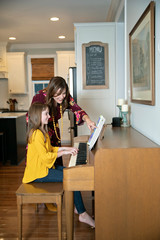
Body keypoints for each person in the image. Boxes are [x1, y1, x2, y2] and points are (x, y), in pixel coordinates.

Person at [23, 102, 95, 228]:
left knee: (70, 171)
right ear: (37, 116)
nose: (49, 116)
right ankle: (82, 213)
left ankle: (79, 209)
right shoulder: (36, 134)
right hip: (38, 173)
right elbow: (46, 157)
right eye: (46, 114)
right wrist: (63, 153)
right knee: (71, 177)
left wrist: (66, 150)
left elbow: (51, 149)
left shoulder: (42, 131)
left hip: (44, 168)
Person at [29, 76, 96, 166]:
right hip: (40, 130)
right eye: (58, 94)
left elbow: (77, 110)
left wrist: (88, 120)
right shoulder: (39, 97)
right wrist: (38, 134)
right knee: (42, 159)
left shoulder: (66, 97)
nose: (61, 97)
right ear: (52, 91)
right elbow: (31, 117)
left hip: (54, 130)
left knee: (56, 161)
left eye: (64, 93)